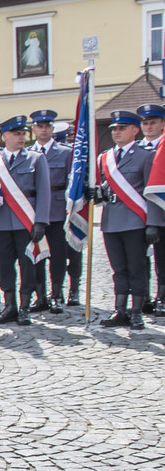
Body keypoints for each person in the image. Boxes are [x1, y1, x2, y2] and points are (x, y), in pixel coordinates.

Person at [0, 117, 50, 327]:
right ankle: (9, 306)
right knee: (4, 266)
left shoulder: (36, 159)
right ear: (4, 136)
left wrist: (40, 222)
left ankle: (24, 307)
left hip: (26, 222)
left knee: (27, 265)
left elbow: (44, 192)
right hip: (0, 222)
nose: (21, 137)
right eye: (16, 134)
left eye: (23, 133)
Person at [96, 110, 155, 328]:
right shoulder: (105, 158)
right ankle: (120, 310)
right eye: (114, 129)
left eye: (122, 128)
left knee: (136, 267)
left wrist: (152, 223)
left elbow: (151, 193)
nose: (117, 132)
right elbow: (102, 189)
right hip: (111, 221)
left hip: (135, 220)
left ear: (134, 130)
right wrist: (94, 193)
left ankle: (137, 311)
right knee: (118, 269)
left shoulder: (146, 156)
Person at [27, 110, 71, 313]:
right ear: (34, 129)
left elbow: (71, 182)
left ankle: (57, 295)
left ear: (52, 129)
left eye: (47, 126)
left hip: (57, 211)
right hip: (33, 212)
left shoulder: (65, 153)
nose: (44, 130)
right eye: (40, 126)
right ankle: (40, 296)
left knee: (58, 255)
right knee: (36, 255)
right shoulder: (28, 154)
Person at [140, 104, 165, 311]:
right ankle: (143, 297)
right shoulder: (135, 148)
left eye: (153, 123)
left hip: (161, 211)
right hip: (137, 212)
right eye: (145, 123)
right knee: (138, 259)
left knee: (162, 258)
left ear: (162, 124)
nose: (149, 127)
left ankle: (162, 296)